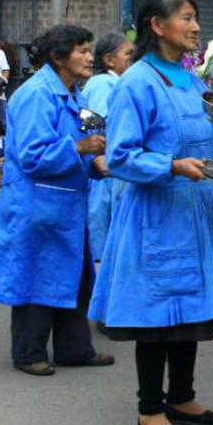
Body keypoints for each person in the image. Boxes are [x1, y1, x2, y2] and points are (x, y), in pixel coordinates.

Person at [88, 0, 213, 425]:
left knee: (190, 309)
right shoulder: (136, 83)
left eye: (195, 18)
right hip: (156, 213)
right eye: (187, 18)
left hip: (195, 211)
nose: (196, 27)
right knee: (156, 314)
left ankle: (182, 397)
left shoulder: (192, 81)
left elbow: (206, 137)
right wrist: (171, 166)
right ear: (157, 25)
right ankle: (150, 409)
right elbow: (121, 156)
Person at [0, 24, 114, 377]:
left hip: (66, 205)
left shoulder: (73, 94)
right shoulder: (36, 94)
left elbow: (81, 145)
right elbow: (32, 156)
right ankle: (28, 353)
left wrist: (97, 163)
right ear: (58, 57)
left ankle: (75, 348)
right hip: (37, 206)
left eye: (89, 50)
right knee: (37, 278)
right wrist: (80, 148)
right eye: (82, 51)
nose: (89, 57)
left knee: (76, 277)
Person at [81, 33, 135, 261]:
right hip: (104, 167)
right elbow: (98, 125)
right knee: (102, 229)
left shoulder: (116, 83)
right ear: (109, 60)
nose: (132, 59)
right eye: (127, 54)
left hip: (110, 168)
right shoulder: (104, 84)